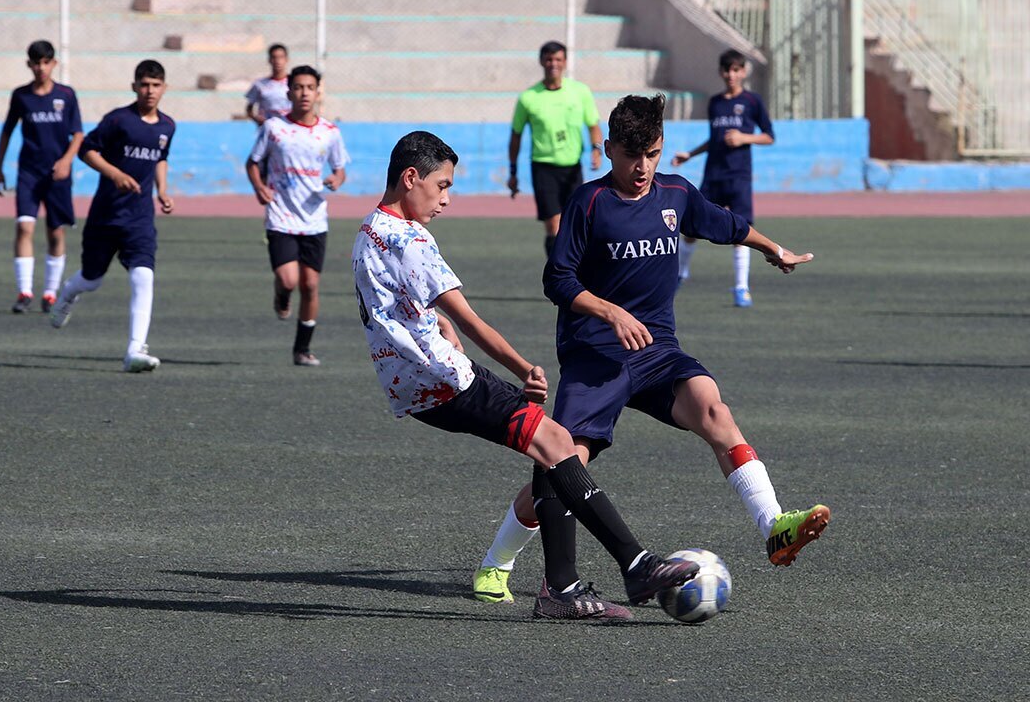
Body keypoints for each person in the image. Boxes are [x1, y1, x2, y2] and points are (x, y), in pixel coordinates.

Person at [472, 94, 828, 607]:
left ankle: (773, 524)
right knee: (563, 465)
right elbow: (557, 278)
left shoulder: (676, 194)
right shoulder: (588, 202)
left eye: (653, 154)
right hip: (594, 353)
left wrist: (773, 249)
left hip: (657, 350)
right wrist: (611, 313)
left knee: (713, 408)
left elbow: (725, 224)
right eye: (631, 155)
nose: (642, 168)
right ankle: (498, 563)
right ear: (608, 149)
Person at [353, 130, 699, 622]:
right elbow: (472, 321)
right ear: (411, 178)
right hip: (448, 382)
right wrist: (523, 368)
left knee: (549, 446)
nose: (446, 199)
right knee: (557, 442)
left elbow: (390, 304)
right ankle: (633, 566)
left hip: (411, 385)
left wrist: (436, 323)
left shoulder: (369, 229)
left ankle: (563, 586)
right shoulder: (411, 240)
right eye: (442, 186)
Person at [49, 60, 176, 373]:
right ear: (134, 86)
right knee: (92, 280)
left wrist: (162, 189)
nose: (150, 91)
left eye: (156, 85)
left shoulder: (167, 126)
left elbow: (161, 157)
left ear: (164, 88)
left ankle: (135, 349)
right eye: (144, 84)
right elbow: (87, 150)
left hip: (140, 218)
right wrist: (115, 174)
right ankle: (68, 292)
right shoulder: (119, 120)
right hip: (106, 215)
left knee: (143, 275)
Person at [246, 65, 347, 367]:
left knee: (311, 285)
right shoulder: (274, 128)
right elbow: (252, 162)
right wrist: (259, 187)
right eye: (298, 87)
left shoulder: (329, 132)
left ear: (318, 93)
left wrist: (336, 180)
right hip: (281, 215)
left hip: (314, 218)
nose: (304, 93)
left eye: (310, 88)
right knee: (289, 280)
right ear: (288, 92)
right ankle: (281, 295)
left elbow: (340, 169)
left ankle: (302, 349)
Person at [671, 49, 775, 307]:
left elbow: (769, 135)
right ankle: (681, 273)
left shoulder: (752, 102)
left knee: (741, 230)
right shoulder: (715, 102)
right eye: (727, 70)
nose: (731, 74)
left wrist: (744, 138)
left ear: (744, 72)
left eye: (736, 69)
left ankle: (741, 287)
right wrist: (691, 154)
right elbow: (715, 139)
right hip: (713, 175)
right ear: (721, 72)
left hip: (738, 176)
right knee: (692, 225)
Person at [0, 40, 84, 314]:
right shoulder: (21, 96)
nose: (41, 67)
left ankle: (50, 293)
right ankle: (24, 292)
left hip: (56, 175)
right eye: (36, 62)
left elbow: (78, 133)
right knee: (24, 227)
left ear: (54, 64)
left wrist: (67, 160)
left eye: (46, 62)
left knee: (55, 232)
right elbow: (8, 131)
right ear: (29, 65)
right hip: (29, 173)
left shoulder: (66, 95)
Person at [508, 41, 603, 257]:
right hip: (543, 168)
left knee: (576, 225)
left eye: (558, 59)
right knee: (554, 226)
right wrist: (513, 172)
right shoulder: (529, 98)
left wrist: (596, 149)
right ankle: (558, 276)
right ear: (542, 61)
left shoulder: (580, 92)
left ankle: (575, 273)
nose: (554, 64)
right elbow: (516, 135)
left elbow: (593, 125)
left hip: (572, 168)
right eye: (549, 59)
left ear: (565, 62)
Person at [244, 43, 292, 125]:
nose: (278, 61)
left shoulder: (294, 83)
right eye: (274, 57)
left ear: (286, 59)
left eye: (281, 57)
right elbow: (249, 108)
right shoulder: (259, 84)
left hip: (289, 127)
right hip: (268, 129)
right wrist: (256, 119)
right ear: (269, 60)